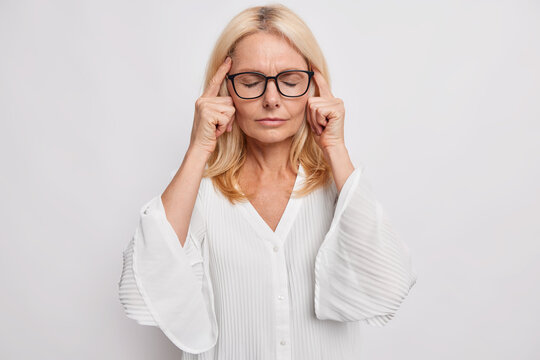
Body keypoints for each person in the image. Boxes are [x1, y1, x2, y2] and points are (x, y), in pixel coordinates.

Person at [118, 4, 418, 359]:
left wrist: (335, 147)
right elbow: (142, 294)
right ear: (224, 89)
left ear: (314, 87)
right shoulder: (198, 188)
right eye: (250, 83)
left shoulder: (340, 185)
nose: (271, 99)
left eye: (290, 82)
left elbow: (388, 287)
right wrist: (199, 148)